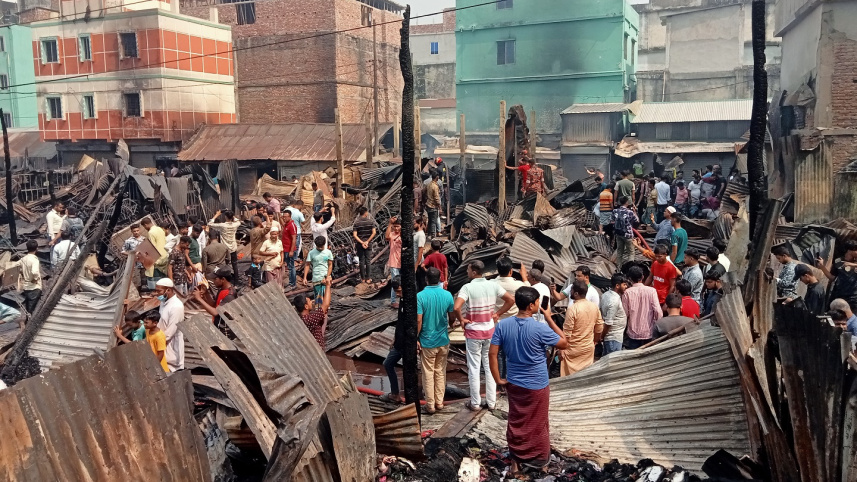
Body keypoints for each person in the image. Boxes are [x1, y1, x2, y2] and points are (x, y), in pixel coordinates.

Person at [488, 287, 568, 474]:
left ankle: (516, 462)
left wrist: (497, 378)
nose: (539, 305)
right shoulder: (540, 328)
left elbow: (493, 353)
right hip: (537, 384)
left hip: (514, 383)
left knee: (516, 421)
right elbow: (564, 342)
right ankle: (541, 463)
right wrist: (549, 317)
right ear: (531, 305)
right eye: (538, 302)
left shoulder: (503, 325)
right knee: (539, 423)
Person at [455, 261, 515, 411]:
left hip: (473, 333)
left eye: (468, 269)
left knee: (474, 367)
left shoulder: (467, 287)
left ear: (474, 272)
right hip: (490, 332)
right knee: (489, 367)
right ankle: (492, 402)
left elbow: (457, 307)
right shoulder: (492, 285)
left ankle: (475, 403)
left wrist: (462, 320)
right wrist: (497, 314)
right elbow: (511, 300)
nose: (467, 272)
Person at [417, 267, 455, 414]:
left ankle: (430, 405)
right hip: (443, 340)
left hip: (427, 341)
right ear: (440, 279)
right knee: (440, 371)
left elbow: (419, 321)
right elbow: (452, 317)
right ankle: (440, 402)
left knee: (428, 372)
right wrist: (451, 325)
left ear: (426, 279)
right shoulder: (447, 295)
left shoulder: (420, 296)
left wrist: (416, 337)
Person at [560, 280, 604, 376]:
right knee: (585, 376)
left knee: (569, 379)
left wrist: (562, 349)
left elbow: (567, 333)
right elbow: (599, 327)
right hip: (588, 348)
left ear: (576, 293)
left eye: (571, 290)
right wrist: (595, 341)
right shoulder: (594, 307)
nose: (570, 292)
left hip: (573, 350)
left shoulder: (573, 309)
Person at [622, 266, 662, 348]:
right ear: (643, 276)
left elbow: (624, 313)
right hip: (649, 332)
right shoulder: (652, 291)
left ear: (630, 279)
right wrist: (657, 325)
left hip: (633, 332)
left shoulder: (627, 293)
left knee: (634, 357)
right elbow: (658, 311)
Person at [381, 278, 406, 404]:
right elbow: (400, 322)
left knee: (407, 369)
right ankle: (395, 393)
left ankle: (398, 394)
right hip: (399, 341)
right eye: (395, 291)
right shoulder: (402, 299)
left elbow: (417, 322)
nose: (396, 293)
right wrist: (395, 338)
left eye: (398, 290)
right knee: (388, 363)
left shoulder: (411, 301)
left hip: (407, 342)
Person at [816, 240, 857, 311]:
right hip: (840, 296)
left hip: (854, 298)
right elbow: (832, 278)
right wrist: (822, 267)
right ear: (850, 251)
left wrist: (852, 265)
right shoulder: (839, 262)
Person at [293, 277, 332, 349]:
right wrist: (328, 285)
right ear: (306, 306)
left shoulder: (301, 318)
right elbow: (325, 305)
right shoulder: (309, 319)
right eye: (309, 301)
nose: (312, 302)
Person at [155, 278, 185, 372]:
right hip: (162, 343)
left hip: (171, 344)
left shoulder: (176, 306)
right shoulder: (163, 303)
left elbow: (170, 332)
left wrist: (157, 341)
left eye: (159, 291)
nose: (157, 293)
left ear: (168, 290)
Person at [600, 273, 628, 356]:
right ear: (617, 286)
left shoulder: (606, 294)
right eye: (624, 285)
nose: (626, 287)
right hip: (613, 338)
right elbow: (608, 322)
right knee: (613, 365)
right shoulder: (614, 301)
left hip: (612, 338)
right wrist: (602, 336)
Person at [209, 210, 240, 276]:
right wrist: (232, 215)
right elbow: (237, 221)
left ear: (225, 217)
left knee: (225, 264)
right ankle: (236, 282)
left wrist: (216, 215)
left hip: (225, 248)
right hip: (233, 247)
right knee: (235, 264)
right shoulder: (235, 224)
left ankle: (226, 279)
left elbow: (210, 224)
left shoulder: (222, 225)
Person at [304, 236, 334, 303]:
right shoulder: (311, 253)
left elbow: (330, 265)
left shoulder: (328, 252)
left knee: (327, 298)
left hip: (326, 278)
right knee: (318, 299)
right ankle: (319, 312)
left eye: (321, 246)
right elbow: (307, 265)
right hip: (316, 278)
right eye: (318, 247)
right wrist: (305, 277)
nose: (320, 248)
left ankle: (325, 312)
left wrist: (327, 276)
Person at [612, 196, 638, 269]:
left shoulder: (615, 211)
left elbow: (612, 220)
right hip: (628, 234)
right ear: (627, 202)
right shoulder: (629, 212)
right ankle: (630, 269)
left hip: (618, 233)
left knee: (620, 252)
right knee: (631, 252)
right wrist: (635, 211)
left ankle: (618, 269)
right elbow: (636, 220)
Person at [352, 207, 376, 284]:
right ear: (366, 213)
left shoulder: (356, 223)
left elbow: (355, 235)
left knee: (361, 261)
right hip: (368, 244)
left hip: (360, 244)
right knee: (368, 261)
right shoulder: (371, 221)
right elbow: (374, 232)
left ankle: (362, 279)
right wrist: (367, 242)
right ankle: (368, 278)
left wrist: (362, 242)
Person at [18, 240, 41, 315]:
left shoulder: (23, 259)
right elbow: (35, 272)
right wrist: (35, 279)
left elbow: (15, 265)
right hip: (34, 287)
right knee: (33, 310)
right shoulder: (34, 260)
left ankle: (27, 321)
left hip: (26, 287)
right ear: (37, 248)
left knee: (28, 308)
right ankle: (30, 323)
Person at [142, 217, 167, 283]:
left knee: (158, 279)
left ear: (145, 225)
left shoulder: (151, 233)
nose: (145, 228)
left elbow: (152, 248)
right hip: (165, 254)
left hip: (158, 258)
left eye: (144, 227)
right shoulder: (160, 229)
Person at [280, 209, 299, 289]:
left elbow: (294, 239)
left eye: (286, 217)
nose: (284, 218)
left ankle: (293, 284)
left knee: (291, 267)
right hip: (285, 249)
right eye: (283, 217)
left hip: (290, 249)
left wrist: (291, 250)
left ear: (290, 217)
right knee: (289, 266)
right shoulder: (286, 224)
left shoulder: (292, 226)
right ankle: (291, 282)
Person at [426, 171, 442, 236]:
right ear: (437, 177)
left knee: (430, 220)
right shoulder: (435, 186)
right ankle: (433, 236)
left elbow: (424, 191)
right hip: (433, 206)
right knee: (433, 221)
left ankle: (429, 234)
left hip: (428, 204)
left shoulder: (429, 184)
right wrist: (440, 207)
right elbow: (436, 198)